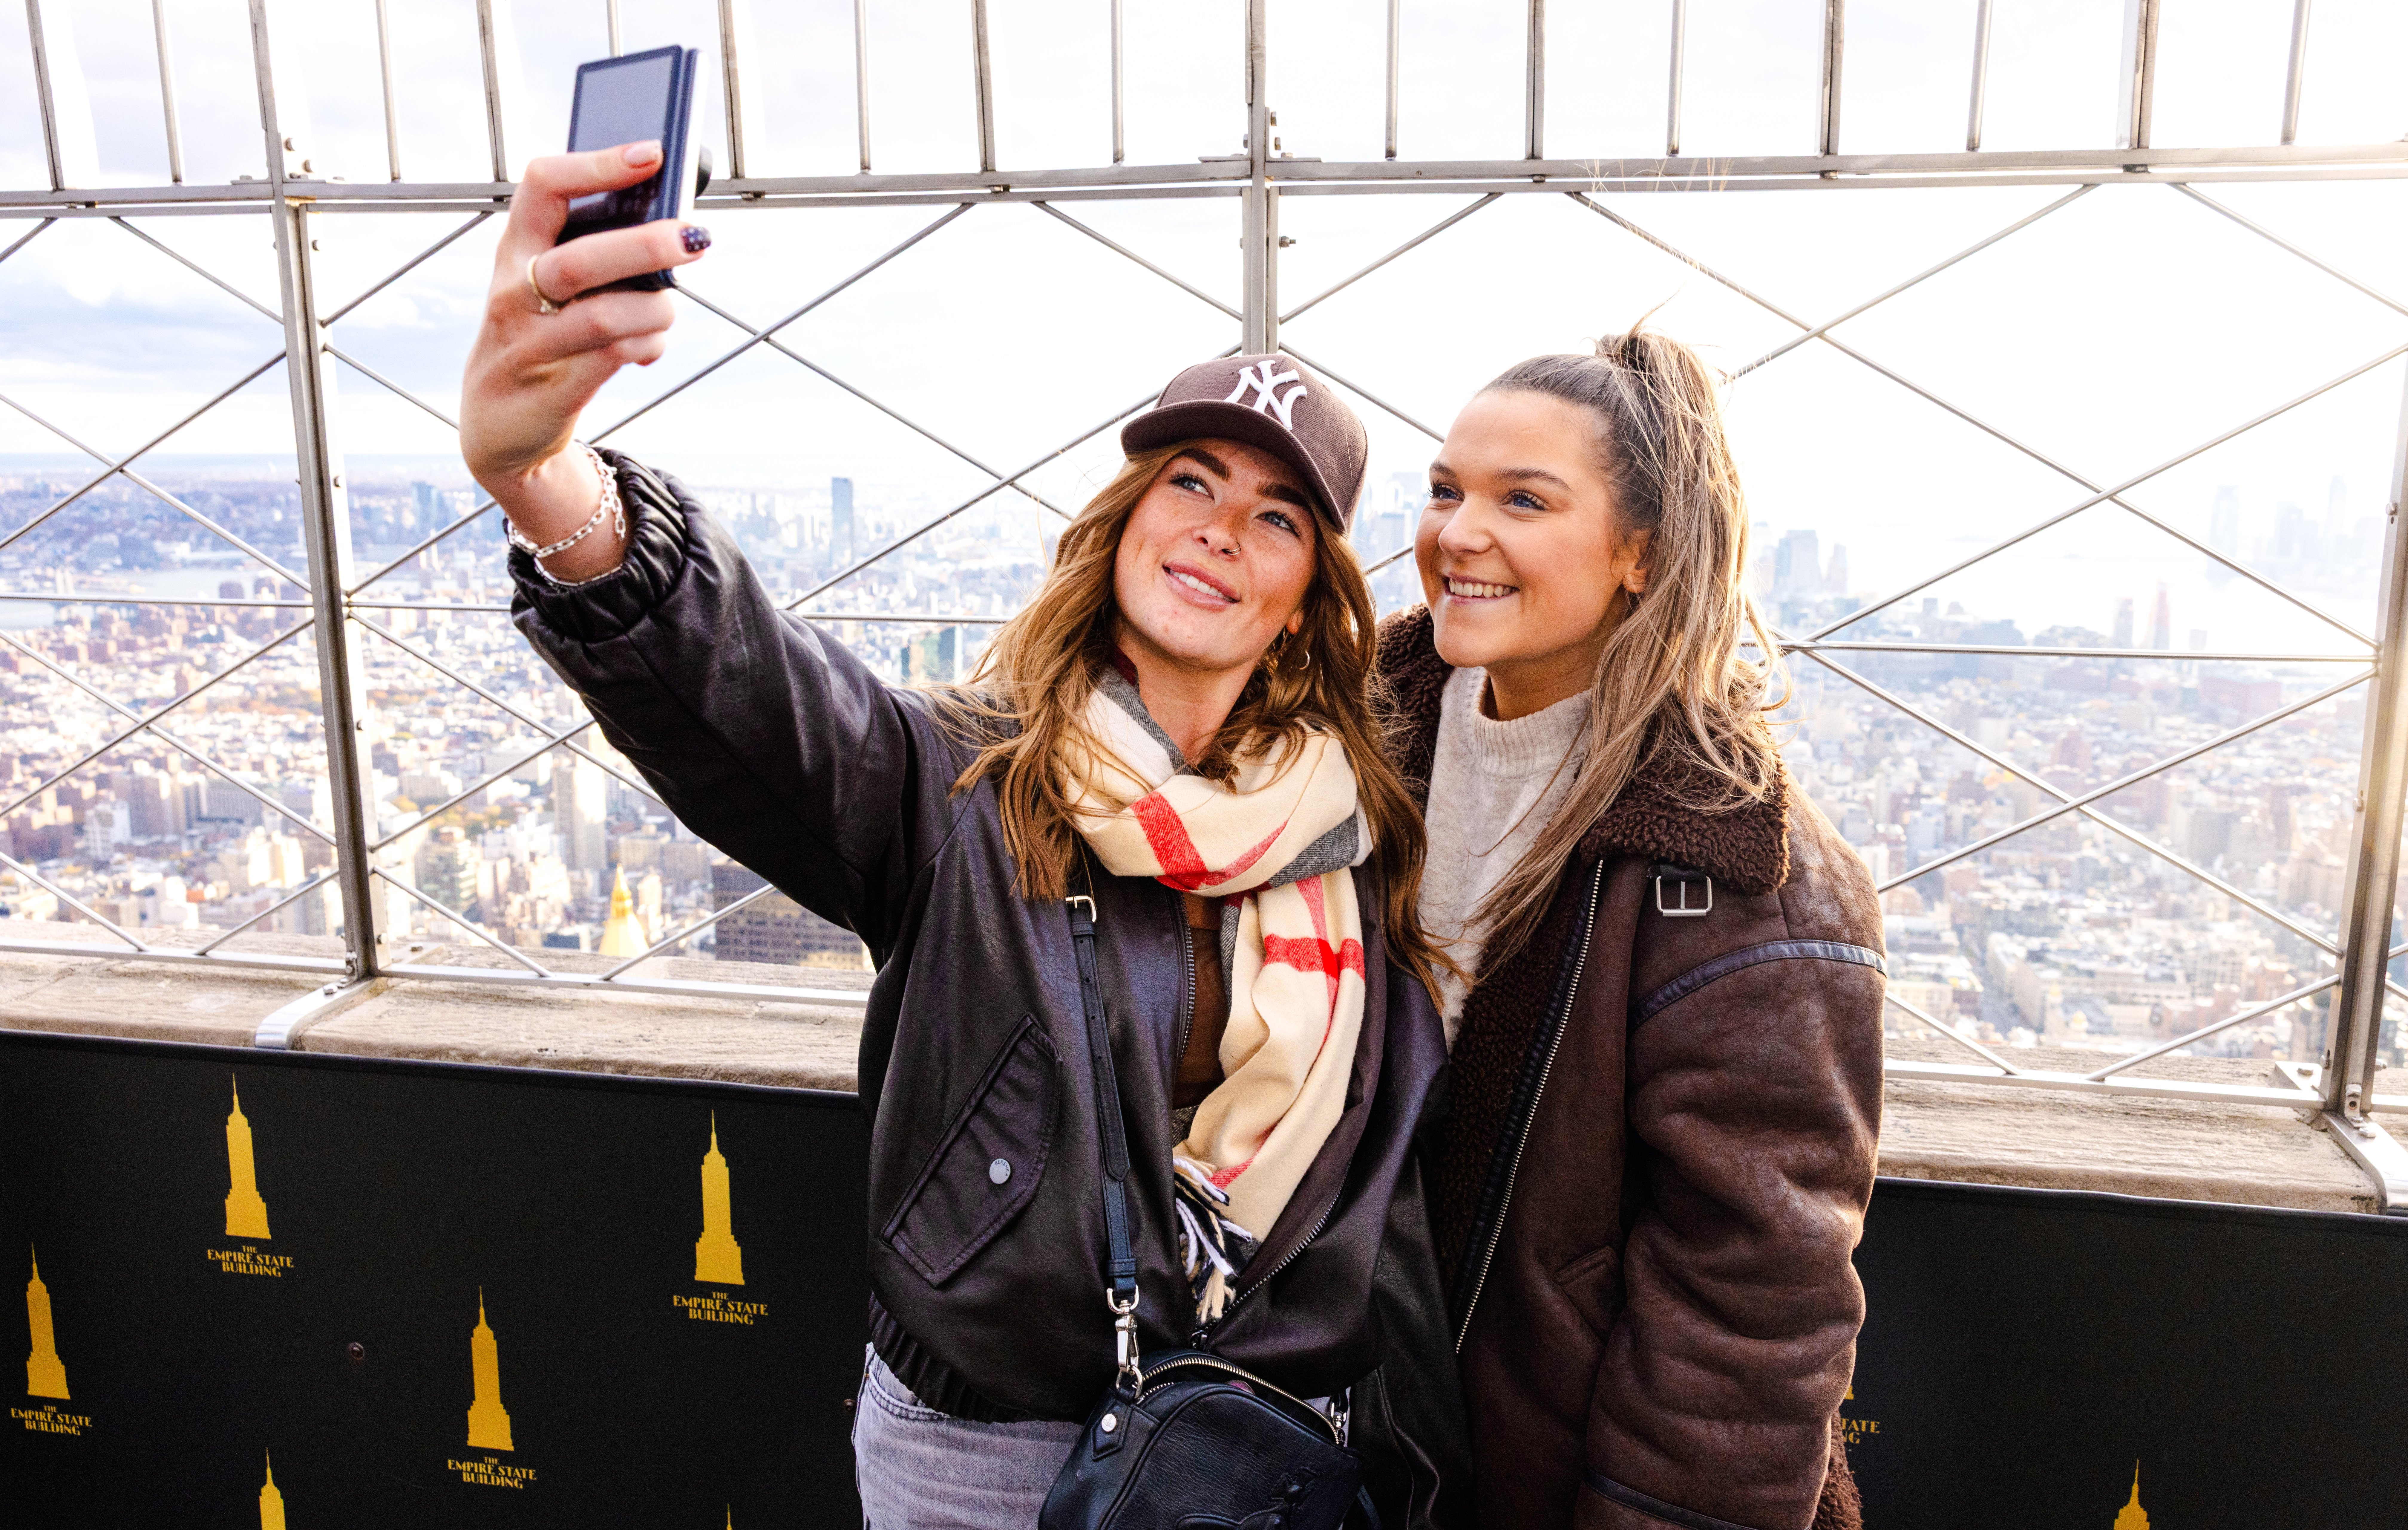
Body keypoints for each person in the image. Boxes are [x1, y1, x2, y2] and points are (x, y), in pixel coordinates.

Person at [457, 142, 1468, 1528]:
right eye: (1188, 483)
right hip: (988, 1443)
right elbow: (751, 696)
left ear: (1304, 593)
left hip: (1249, 1436)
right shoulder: (962, 782)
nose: (1222, 528)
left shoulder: (1349, 828)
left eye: (1275, 514)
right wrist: (547, 477)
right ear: (1120, 525)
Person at [1379, 325, 1884, 1530]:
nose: (1457, 534)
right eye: (1444, 490)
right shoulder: (1358, 743)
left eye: (1523, 499)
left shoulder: (1744, 874)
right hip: (1373, 1444)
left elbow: (1746, 1322)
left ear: (1637, 555)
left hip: (1550, 1480)